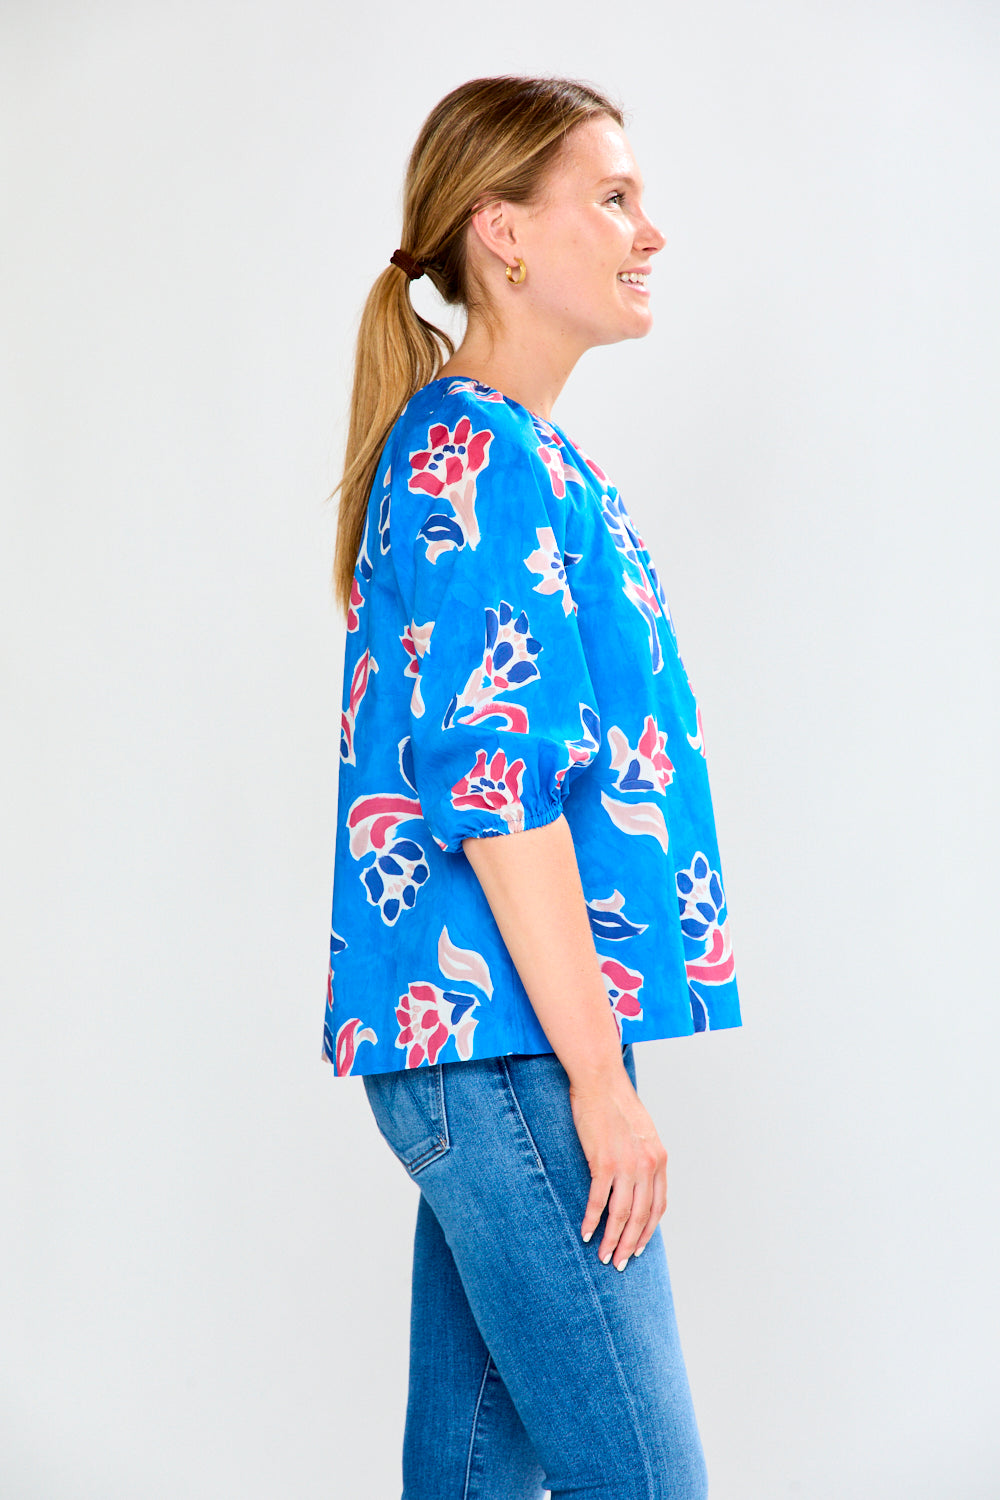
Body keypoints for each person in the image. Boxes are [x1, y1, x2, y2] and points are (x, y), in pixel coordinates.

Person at [324, 75, 741, 1500]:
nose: (650, 232)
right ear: (502, 233)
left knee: (477, 1477)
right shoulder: (477, 453)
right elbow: (497, 799)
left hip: (500, 1043)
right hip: (512, 1051)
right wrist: (598, 1090)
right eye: (611, 197)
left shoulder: (522, 454)